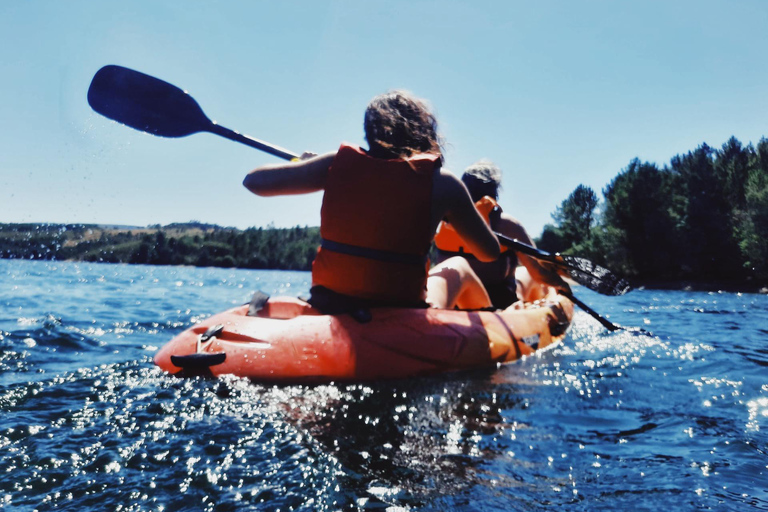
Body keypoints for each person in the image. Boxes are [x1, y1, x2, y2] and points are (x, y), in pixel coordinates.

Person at [243, 90, 499, 313]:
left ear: (369, 131)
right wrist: (455, 216)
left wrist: (307, 166)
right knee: (460, 265)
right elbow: (489, 253)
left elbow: (253, 181)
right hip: (402, 307)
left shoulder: (335, 164)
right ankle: (490, 328)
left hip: (332, 301)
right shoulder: (444, 184)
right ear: (421, 132)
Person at [434, 160, 570, 308]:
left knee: (523, 274)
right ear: (495, 193)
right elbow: (538, 273)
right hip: (498, 302)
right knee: (527, 274)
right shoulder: (508, 225)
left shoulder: (440, 221)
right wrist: (562, 285)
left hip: (453, 300)